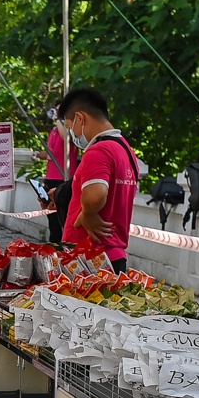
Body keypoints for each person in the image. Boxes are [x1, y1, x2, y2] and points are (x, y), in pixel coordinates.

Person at [59, 87, 141, 272]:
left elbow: (96, 196)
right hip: (114, 255)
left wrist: (86, 214)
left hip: (90, 259)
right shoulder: (126, 150)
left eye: (71, 127)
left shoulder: (98, 151)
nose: (72, 135)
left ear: (80, 118)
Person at [43, 108, 73, 241]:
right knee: (52, 218)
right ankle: (54, 248)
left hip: (64, 177)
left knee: (64, 218)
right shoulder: (54, 131)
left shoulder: (71, 130)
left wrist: (58, 119)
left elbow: (66, 137)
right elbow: (51, 152)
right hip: (51, 177)